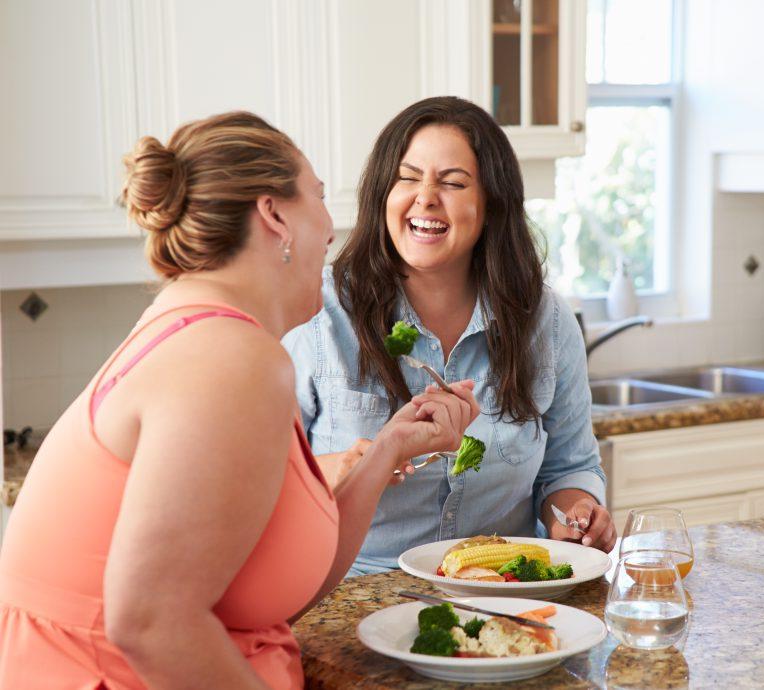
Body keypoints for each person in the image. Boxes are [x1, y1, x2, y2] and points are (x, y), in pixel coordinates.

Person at [0, 111, 479, 689]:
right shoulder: (231, 358)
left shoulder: (204, 332)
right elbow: (150, 622)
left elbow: (264, 589)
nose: (331, 227)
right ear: (274, 216)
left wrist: (387, 451)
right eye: (319, 197)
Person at [284, 96, 616, 577]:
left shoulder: (545, 321)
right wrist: (365, 462)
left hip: (500, 593)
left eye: (453, 183)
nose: (425, 197)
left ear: (491, 205)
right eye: (408, 177)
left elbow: (568, 468)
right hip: (351, 589)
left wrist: (577, 515)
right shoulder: (318, 313)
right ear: (383, 194)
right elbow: (268, 481)